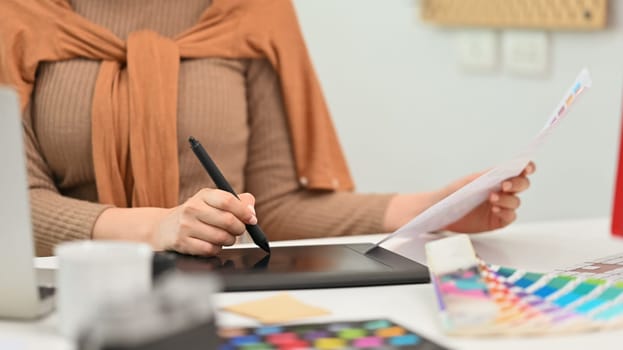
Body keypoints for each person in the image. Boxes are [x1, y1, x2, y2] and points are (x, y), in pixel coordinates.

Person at [1, 0, 534, 257]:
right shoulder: (16, 16)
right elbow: (13, 203)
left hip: (210, 303)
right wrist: (155, 226)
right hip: (61, 305)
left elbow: (271, 207)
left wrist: (429, 210)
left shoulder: (254, 12)